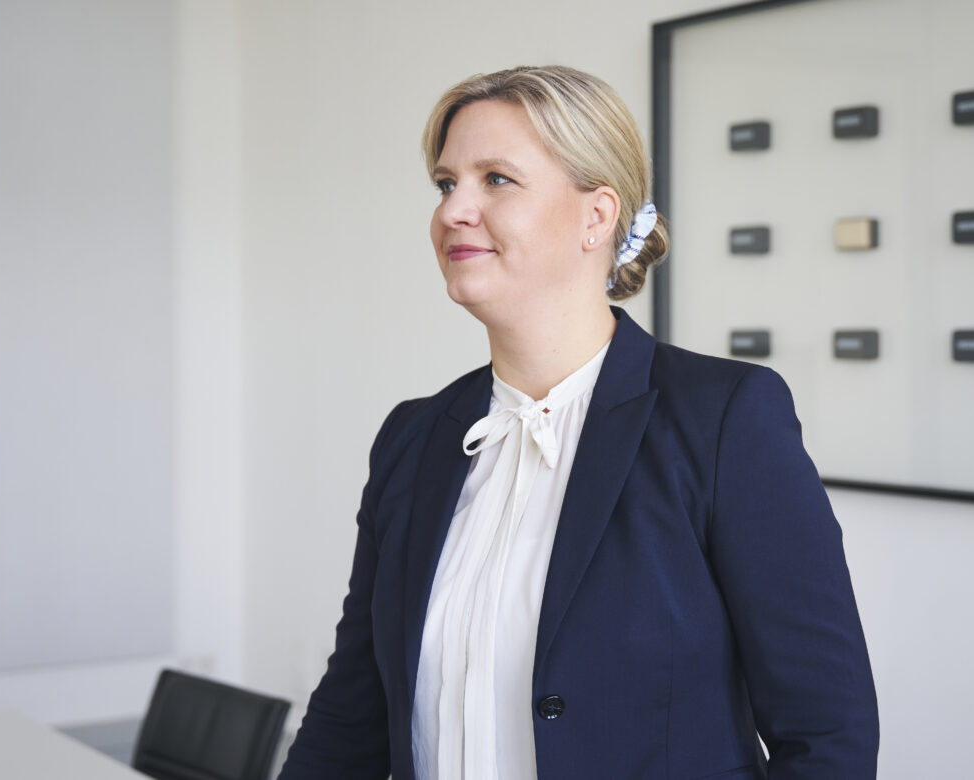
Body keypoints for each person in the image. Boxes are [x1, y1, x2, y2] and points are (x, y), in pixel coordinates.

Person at [277, 65, 877, 780]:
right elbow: (351, 715)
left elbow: (827, 734)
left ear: (596, 217)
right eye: (445, 184)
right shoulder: (412, 439)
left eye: (496, 179)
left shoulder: (724, 420)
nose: (453, 210)